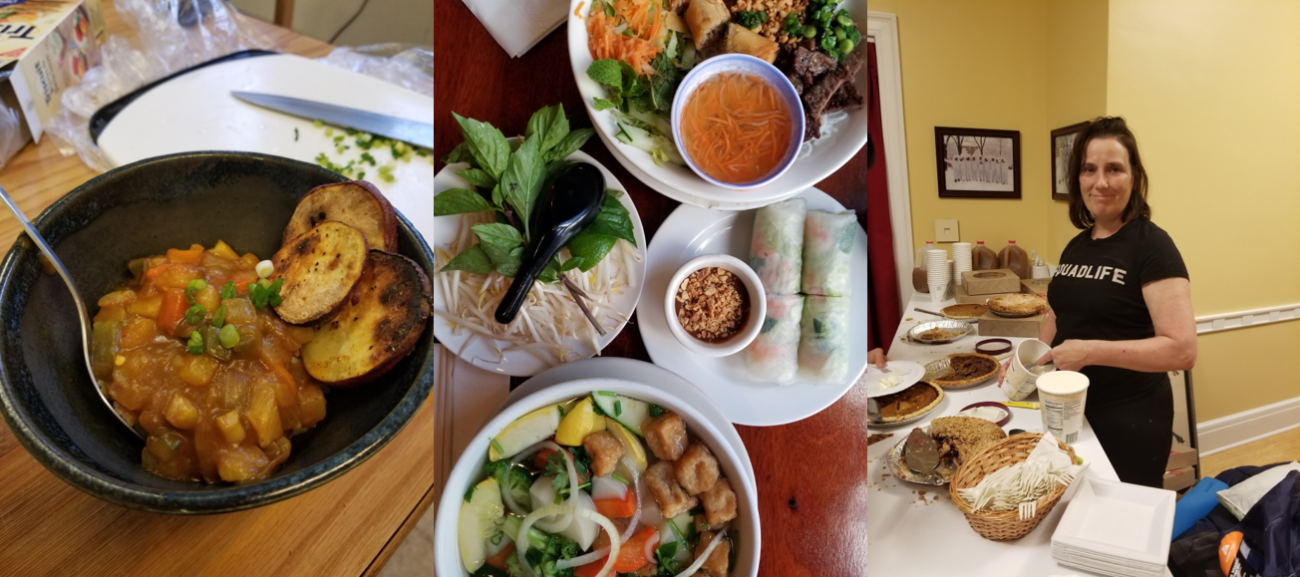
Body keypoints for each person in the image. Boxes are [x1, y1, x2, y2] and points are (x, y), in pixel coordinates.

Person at [1001, 116, 1196, 488]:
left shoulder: (1152, 246)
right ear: (1078, 178)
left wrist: (1090, 351)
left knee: (1118, 529)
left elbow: (1182, 350)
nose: (1101, 182)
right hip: (1070, 408)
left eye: (1114, 169)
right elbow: (1059, 315)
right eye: (1090, 169)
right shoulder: (1078, 244)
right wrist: (1029, 366)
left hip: (1130, 418)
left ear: (1134, 177)